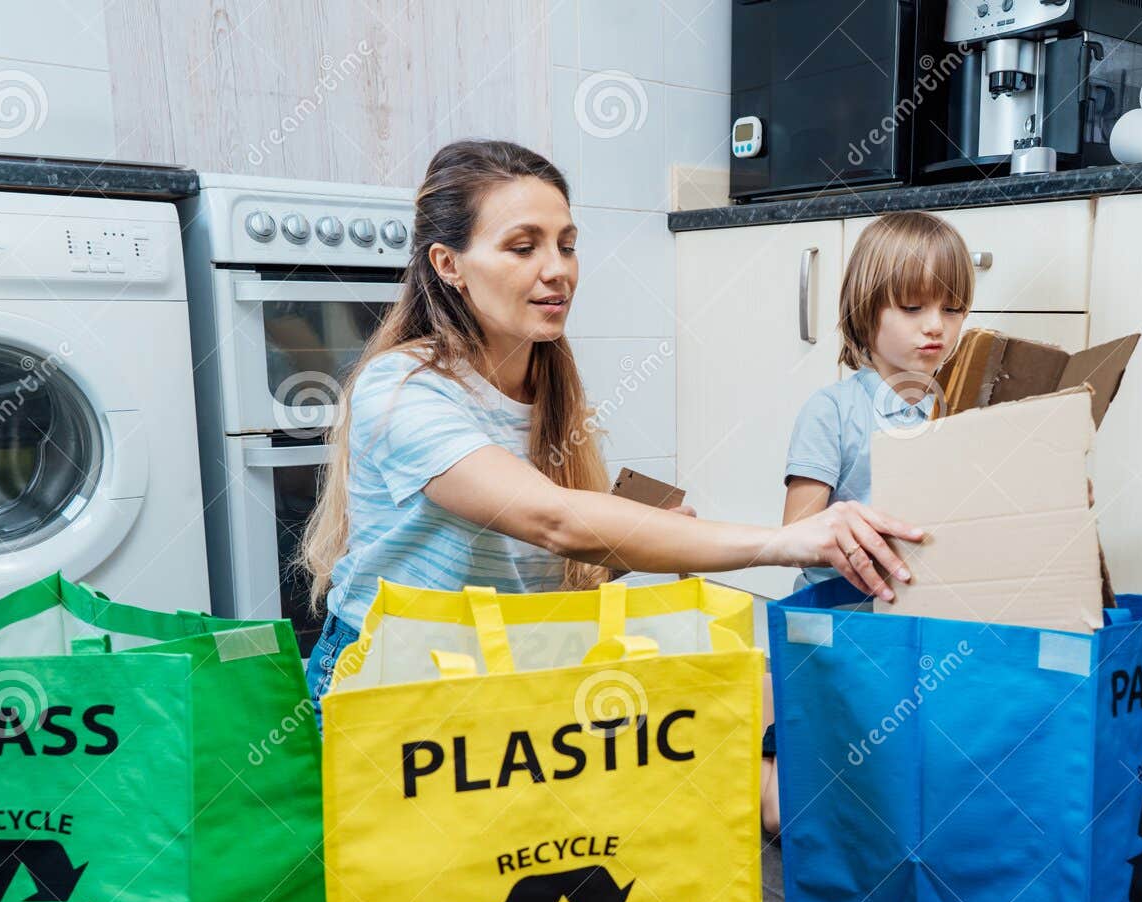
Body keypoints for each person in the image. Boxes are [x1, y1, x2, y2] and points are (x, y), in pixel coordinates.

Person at [299, 139, 923, 718]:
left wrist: (628, 546)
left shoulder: (549, 388)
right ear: (449, 264)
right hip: (391, 682)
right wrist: (790, 541)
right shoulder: (404, 389)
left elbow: (540, 557)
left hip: (505, 671)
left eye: (566, 245)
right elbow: (553, 519)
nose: (558, 270)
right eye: (524, 247)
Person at [758, 211, 974, 833]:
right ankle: (763, 750)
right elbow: (794, 541)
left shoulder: (960, 408)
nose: (936, 326)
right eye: (912, 307)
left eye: (953, 308)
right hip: (837, 635)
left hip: (919, 632)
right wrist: (853, 532)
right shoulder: (833, 411)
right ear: (866, 311)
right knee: (787, 819)